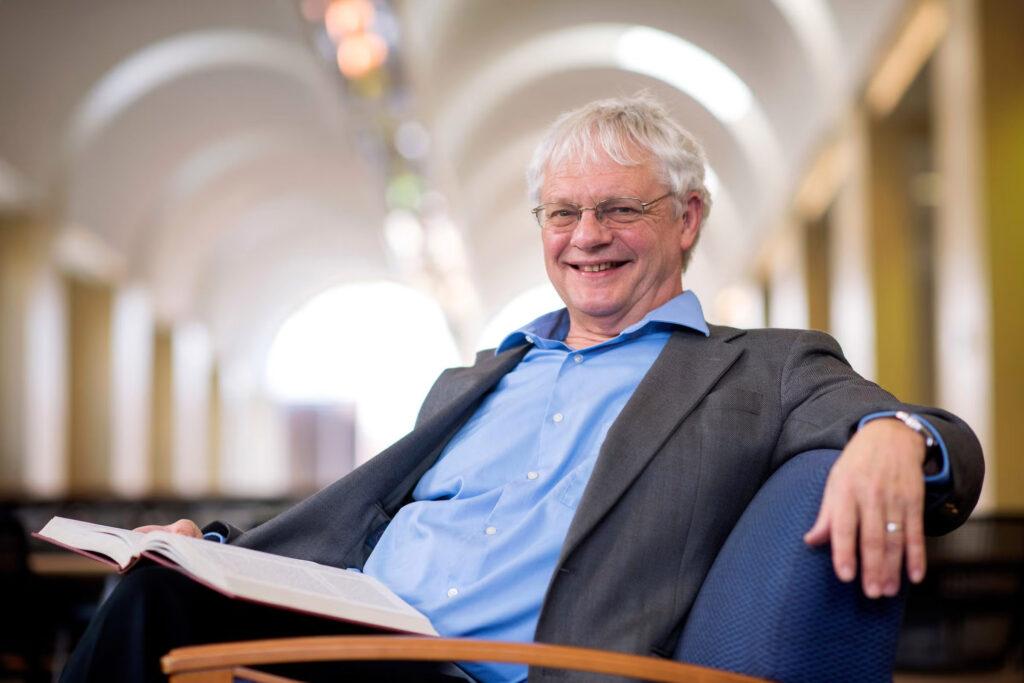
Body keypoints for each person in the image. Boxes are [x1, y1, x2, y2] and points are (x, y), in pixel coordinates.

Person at [61, 94, 984, 683]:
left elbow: (950, 446)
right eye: (563, 212)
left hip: (499, 669)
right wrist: (215, 551)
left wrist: (896, 433)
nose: (588, 235)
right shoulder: (472, 377)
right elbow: (351, 530)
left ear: (688, 218)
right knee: (154, 580)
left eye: (621, 208)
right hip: (345, 631)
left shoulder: (758, 368)